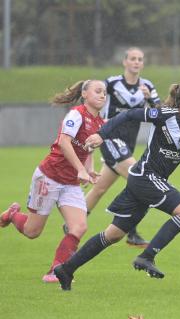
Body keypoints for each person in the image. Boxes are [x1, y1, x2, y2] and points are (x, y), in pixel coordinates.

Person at [54, 79, 180, 291]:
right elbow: (128, 115)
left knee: (113, 235)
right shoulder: (163, 115)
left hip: (148, 180)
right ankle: (146, 257)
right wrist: (101, 134)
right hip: (144, 176)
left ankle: (66, 269)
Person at [0, 80, 106, 283]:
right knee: (32, 232)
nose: (102, 95)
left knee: (79, 227)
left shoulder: (100, 123)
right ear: (84, 94)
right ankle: (13, 215)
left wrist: (89, 170)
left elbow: (87, 149)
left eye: (104, 92)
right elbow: (64, 143)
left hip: (71, 183)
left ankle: (56, 270)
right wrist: (81, 169)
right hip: (49, 177)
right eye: (98, 91)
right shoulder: (76, 114)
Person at [66, 47, 161, 247]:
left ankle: (72, 223)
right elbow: (93, 96)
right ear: (125, 62)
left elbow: (160, 114)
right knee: (139, 180)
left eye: (140, 59)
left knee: (99, 188)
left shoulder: (147, 86)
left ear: (143, 64)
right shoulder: (112, 83)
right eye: (133, 59)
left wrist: (150, 98)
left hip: (127, 145)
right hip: (109, 138)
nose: (136, 62)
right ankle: (131, 232)